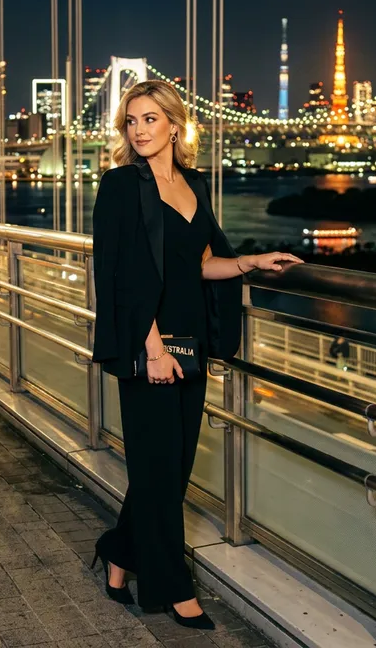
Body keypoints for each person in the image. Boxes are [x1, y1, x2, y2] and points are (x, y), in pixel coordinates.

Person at [90, 80, 302, 630]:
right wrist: (153, 348)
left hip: (192, 345)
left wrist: (250, 262)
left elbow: (200, 263)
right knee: (157, 468)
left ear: (175, 125)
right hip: (151, 347)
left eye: (150, 119)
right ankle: (171, 588)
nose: (139, 130)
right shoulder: (120, 185)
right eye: (131, 120)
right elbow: (118, 275)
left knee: (172, 466)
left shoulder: (195, 184)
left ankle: (119, 552)